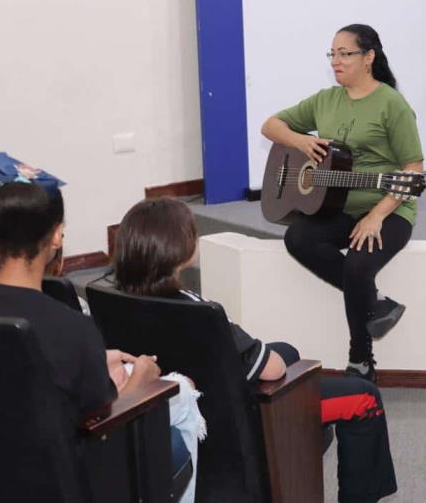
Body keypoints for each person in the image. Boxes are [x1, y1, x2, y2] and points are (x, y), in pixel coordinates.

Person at [113, 197, 397, 503]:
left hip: (181, 404)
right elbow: (271, 368)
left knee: (288, 351)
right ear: (179, 249)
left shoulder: (115, 299)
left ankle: (299, 450)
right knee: (363, 397)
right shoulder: (199, 311)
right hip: (236, 420)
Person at [0, 182, 199, 500]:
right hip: (67, 482)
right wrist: (144, 380)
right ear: (55, 236)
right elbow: (105, 419)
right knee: (178, 407)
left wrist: (94, 359)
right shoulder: (72, 327)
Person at [261, 24, 424, 382]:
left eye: (344, 54)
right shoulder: (324, 100)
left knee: (357, 266)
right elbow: (270, 126)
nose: (336, 61)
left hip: (390, 210)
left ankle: (361, 362)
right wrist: (300, 142)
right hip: (338, 207)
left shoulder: (392, 105)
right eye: (332, 54)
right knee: (298, 238)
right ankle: (376, 302)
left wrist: (377, 216)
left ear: (368, 58)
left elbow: (413, 171)